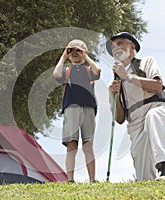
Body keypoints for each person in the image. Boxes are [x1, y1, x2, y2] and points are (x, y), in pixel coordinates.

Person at [106, 32, 165, 181]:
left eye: (120, 43)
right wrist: (116, 96)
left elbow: (157, 86)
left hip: (161, 111)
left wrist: (128, 77)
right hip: (136, 126)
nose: (116, 48)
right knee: (144, 179)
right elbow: (119, 119)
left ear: (132, 47)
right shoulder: (115, 81)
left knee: (154, 116)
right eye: (113, 47)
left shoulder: (146, 62)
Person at [53, 39, 101, 182]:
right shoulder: (66, 71)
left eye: (78, 51)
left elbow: (98, 71)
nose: (75, 53)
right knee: (71, 144)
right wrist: (64, 56)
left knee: (88, 144)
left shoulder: (88, 70)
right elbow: (56, 74)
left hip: (88, 107)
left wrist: (85, 56)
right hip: (71, 107)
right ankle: (70, 179)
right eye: (72, 51)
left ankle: (92, 179)